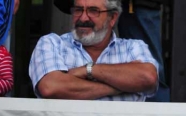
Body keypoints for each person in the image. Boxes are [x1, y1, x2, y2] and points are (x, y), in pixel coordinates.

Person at [29, 0, 158, 101]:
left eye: (93, 11)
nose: (83, 18)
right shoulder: (52, 43)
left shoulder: (133, 48)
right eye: (78, 10)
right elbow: (50, 87)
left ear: (112, 18)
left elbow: (148, 78)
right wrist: (118, 87)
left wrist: (89, 70)